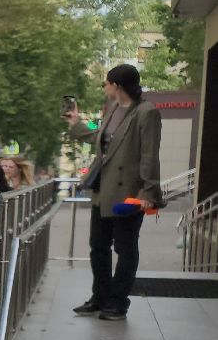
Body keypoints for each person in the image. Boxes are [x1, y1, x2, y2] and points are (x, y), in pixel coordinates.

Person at [67, 64, 164, 322]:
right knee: (98, 246)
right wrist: (77, 125)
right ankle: (100, 297)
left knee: (125, 247)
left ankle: (118, 302)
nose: (104, 87)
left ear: (117, 86)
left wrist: (148, 190)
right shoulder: (112, 109)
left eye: (107, 83)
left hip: (129, 193)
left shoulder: (147, 112)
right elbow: (101, 138)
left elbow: (149, 155)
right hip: (103, 188)